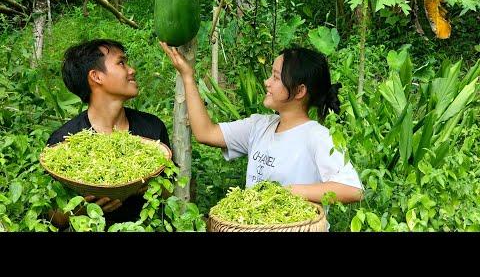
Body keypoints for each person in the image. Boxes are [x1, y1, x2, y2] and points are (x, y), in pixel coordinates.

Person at [160, 42, 363, 212]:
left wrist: (286, 191)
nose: (267, 82)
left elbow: (352, 189)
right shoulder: (259, 126)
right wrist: (187, 76)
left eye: (275, 77)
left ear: (299, 90)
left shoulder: (318, 137)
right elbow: (205, 133)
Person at [46, 39, 170, 229]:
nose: (131, 70)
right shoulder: (64, 142)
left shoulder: (152, 129)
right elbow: (54, 217)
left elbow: (171, 190)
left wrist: (147, 187)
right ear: (96, 76)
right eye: (121, 63)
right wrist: (83, 209)